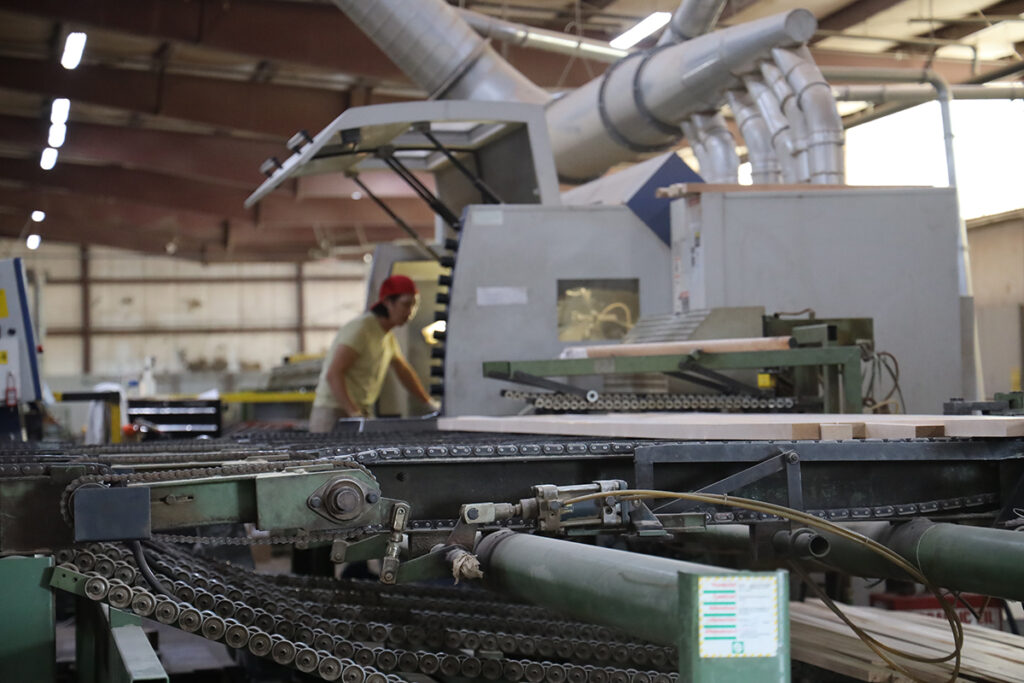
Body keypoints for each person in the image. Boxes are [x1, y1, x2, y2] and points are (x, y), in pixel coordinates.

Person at [309, 274, 436, 432]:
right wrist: (353, 412)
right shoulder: (362, 329)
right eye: (406, 304)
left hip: (359, 410)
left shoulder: (386, 336)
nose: (410, 311)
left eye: (414, 305)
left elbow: (403, 371)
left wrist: (429, 404)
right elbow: (333, 373)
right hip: (333, 412)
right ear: (388, 302)